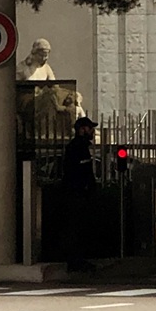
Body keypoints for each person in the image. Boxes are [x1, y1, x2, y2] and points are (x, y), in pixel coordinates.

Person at [61, 114, 98, 272]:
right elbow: (78, 172)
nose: (93, 132)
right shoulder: (76, 147)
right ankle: (75, 260)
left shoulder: (82, 147)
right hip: (76, 193)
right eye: (90, 129)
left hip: (80, 193)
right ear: (82, 130)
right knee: (75, 227)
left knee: (80, 227)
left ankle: (78, 259)